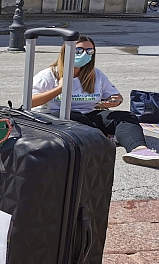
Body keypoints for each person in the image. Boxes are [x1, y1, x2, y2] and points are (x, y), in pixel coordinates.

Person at [31, 35, 159, 168]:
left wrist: (113, 101)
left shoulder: (95, 74)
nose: (84, 54)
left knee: (126, 117)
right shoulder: (49, 74)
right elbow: (30, 102)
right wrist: (60, 89)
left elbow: (116, 96)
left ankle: (139, 150)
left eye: (89, 51)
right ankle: (106, 135)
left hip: (88, 115)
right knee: (74, 117)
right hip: (55, 116)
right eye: (79, 50)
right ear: (67, 51)